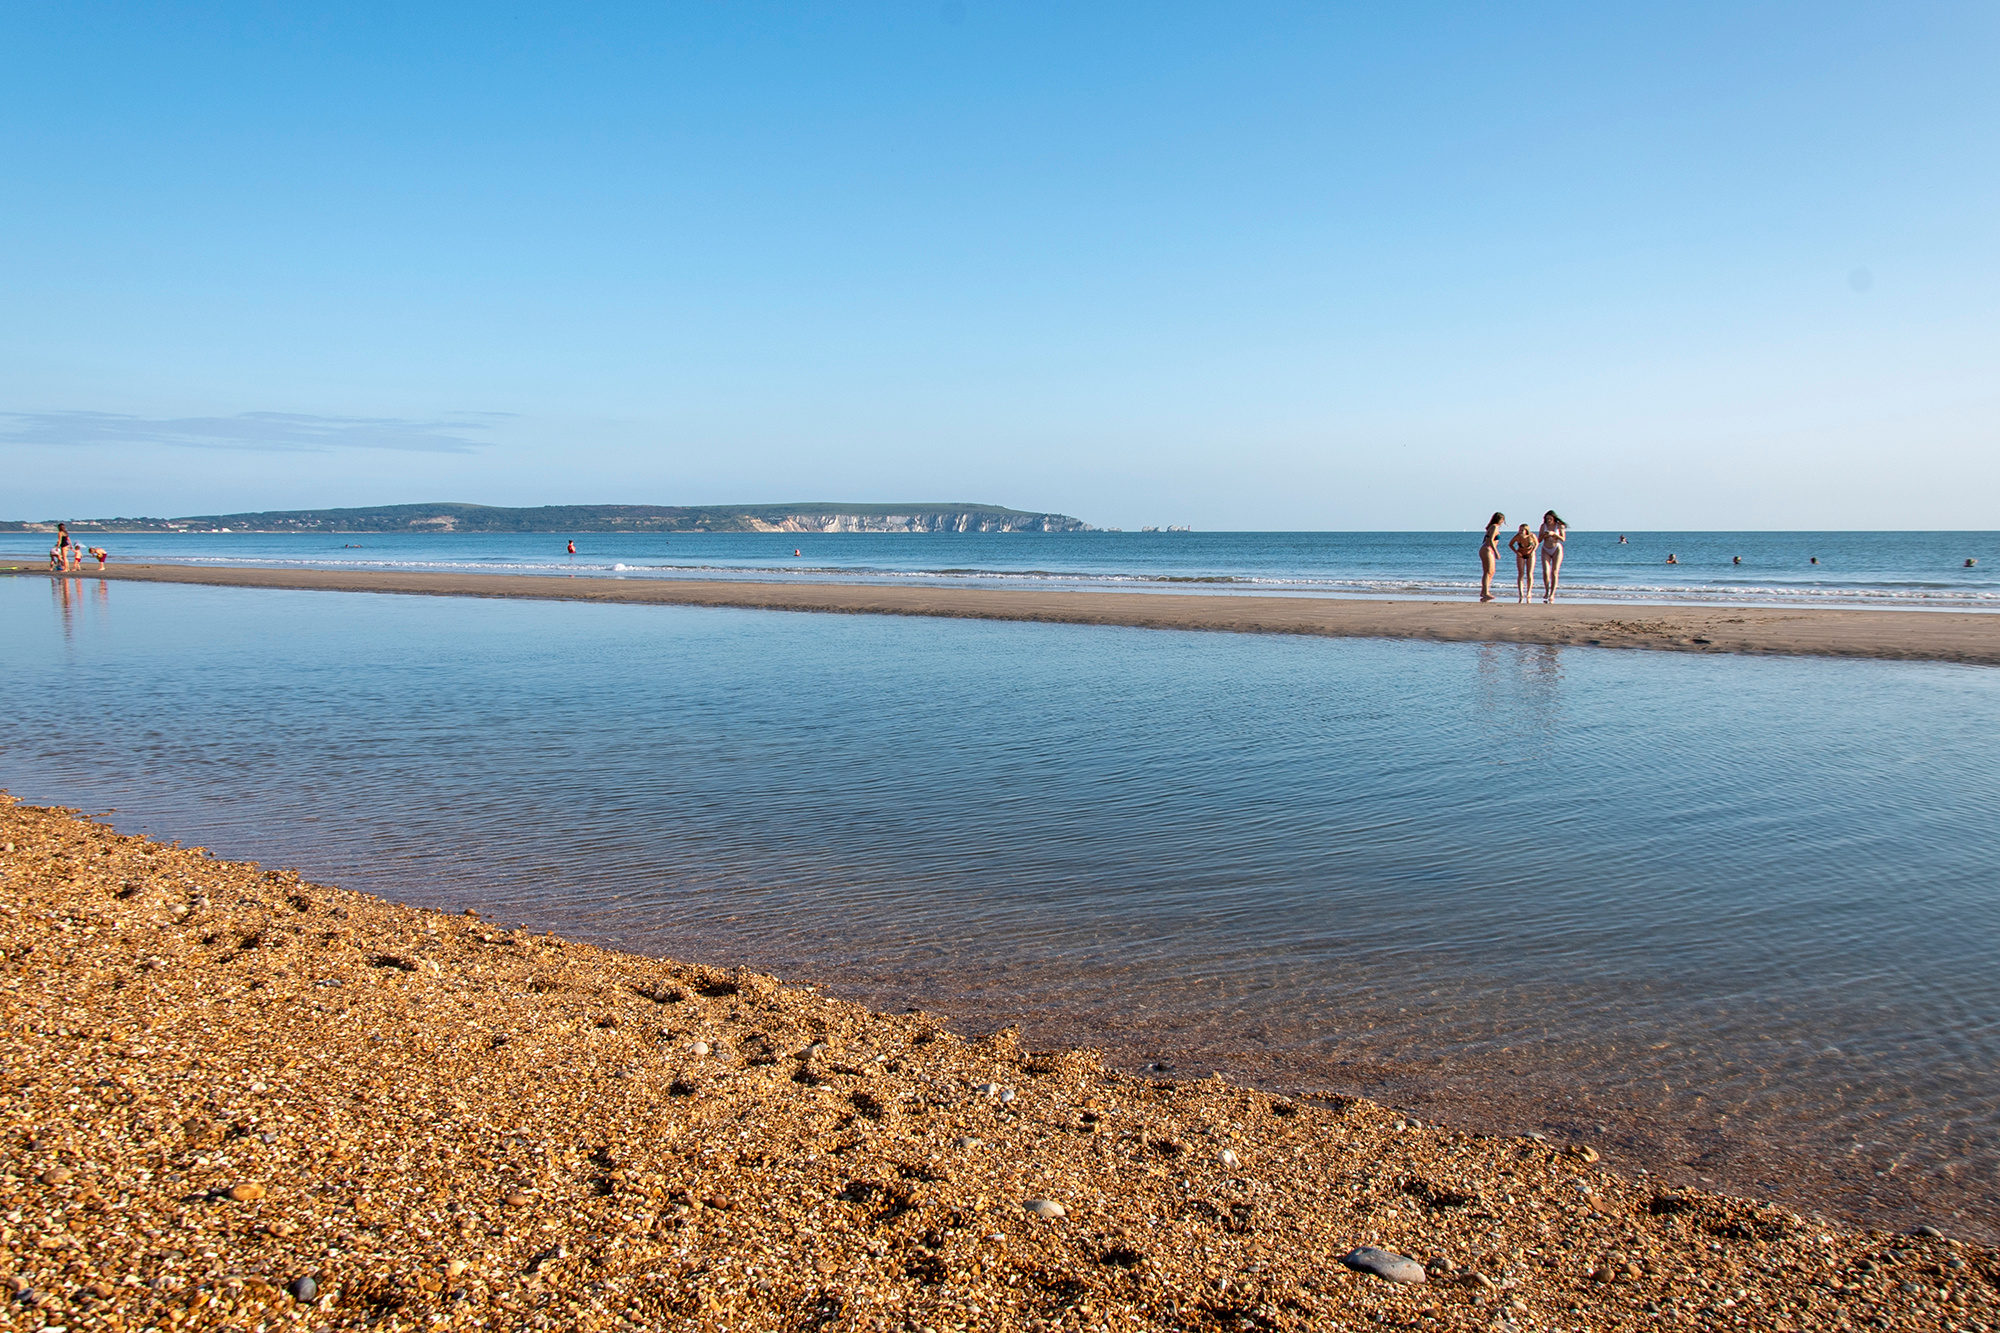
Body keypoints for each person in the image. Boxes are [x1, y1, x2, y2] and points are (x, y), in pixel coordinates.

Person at [1536, 511, 1567, 603]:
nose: (1549, 521)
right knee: (1546, 572)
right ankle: (1546, 590)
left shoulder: (1559, 526)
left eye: (1550, 519)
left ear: (1554, 519)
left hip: (1556, 548)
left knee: (1554, 572)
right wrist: (1544, 535)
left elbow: (1563, 539)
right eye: (1547, 519)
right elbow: (1539, 540)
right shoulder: (1543, 526)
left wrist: (1554, 534)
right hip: (1546, 548)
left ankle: (1552, 593)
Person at [1478, 512, 1505, 602]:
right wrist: (1496, 552)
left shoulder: (1493, 527)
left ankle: (1483, 591)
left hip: (1488, 550)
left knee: (1491, 571)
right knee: (1488, 571)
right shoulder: (1494, 527)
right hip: (1487, 549)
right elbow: (1491, 540)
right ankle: (1486, 592)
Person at [1509, 524, 1538, 603]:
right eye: (1519, 529)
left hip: (1530, 555)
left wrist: (1532, 551)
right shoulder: (1517, 537)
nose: (1520, 531)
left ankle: (1529, 591)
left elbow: (1536, 543)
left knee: (1530, 573)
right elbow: (1510, 544)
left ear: (1526, 531)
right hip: (1521, 555)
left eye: (1522, 530)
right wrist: (1516, 552)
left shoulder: (1531, 536)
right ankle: (1521, 593)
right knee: (1521, 573)